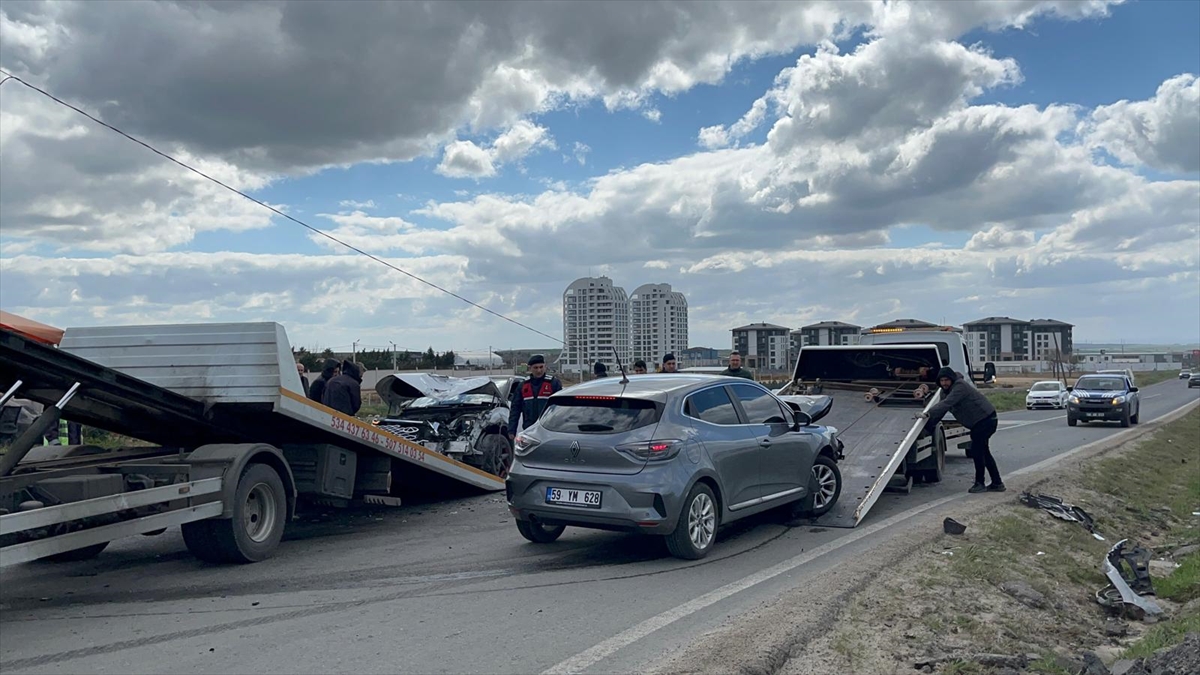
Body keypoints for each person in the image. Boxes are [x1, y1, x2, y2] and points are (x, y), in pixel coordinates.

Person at [919, 367, 1004, 494]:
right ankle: (997, 483)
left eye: (947, 380)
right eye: (941, 380)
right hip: (979, 423)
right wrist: (928, 426)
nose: (944, 383)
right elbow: (941, 410)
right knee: (984, 452)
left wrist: (927, 414)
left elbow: (947, 403)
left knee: (977, 451)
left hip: (986, 420)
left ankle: (980, 483)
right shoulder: (944, 391)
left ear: (952, 379)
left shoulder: (960, 386)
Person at [507, 354, 562, 437]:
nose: (539, 370)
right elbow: (515, 409)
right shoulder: (523, 386)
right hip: (529, 429)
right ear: (530, 368)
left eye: (541, 367)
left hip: (549, 429)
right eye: (535, 368)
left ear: (545, 367)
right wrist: (511, 430)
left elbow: (560, 408)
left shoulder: (553, 383)